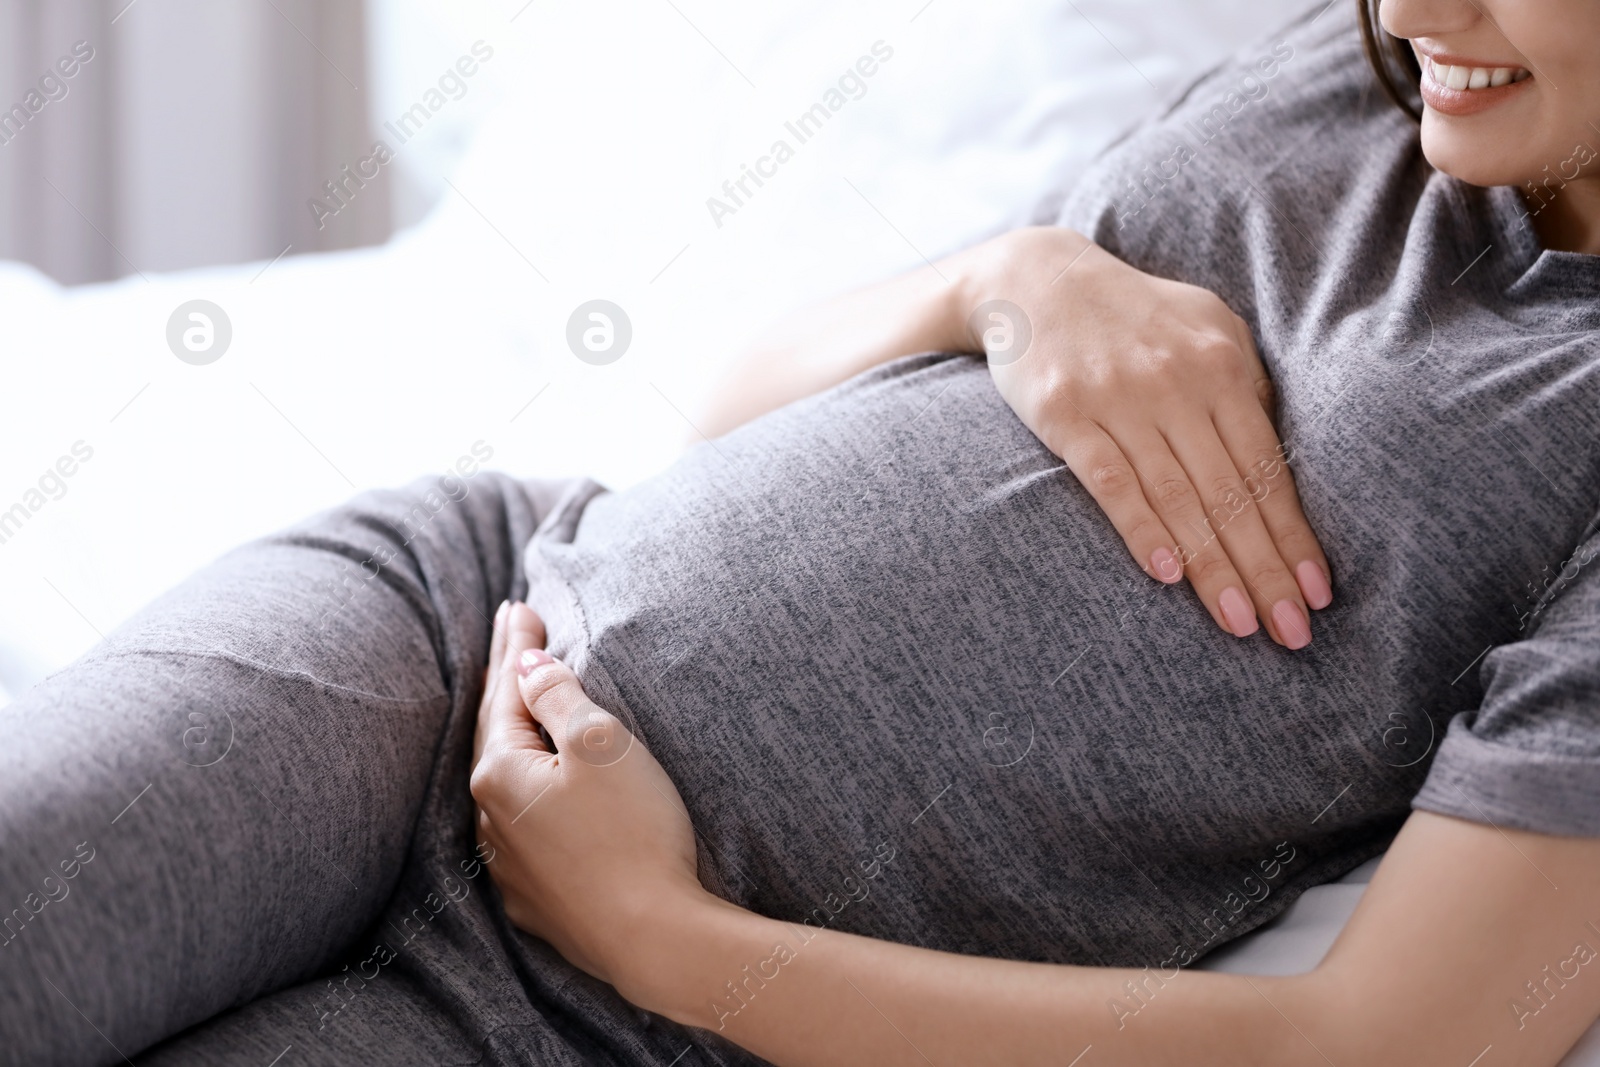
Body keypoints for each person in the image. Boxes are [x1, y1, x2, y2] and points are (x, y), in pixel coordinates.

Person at [2, 2, 1597, 1067]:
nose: (1417, 12)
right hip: (467, 627)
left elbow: (1403, 1041)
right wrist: (998, 281)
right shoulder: (1353, 67)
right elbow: (730, 418)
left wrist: (663, 941)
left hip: (614, 1021)